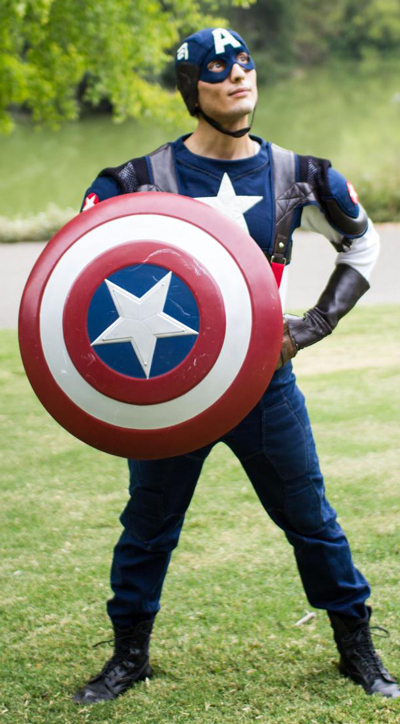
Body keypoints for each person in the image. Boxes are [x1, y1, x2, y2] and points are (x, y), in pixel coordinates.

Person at [74, 27, 399, 704]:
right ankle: (128, 656)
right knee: (147, 529)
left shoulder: (299, 174)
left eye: (245, 63)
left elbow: (363, 246)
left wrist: (312, 325)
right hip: (170, 393)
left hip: (262, 385)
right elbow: (80, 266)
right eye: (218, 68)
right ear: (191, 89)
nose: (237, 76)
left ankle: (358, 649)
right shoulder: (136, 182)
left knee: (312, 520)